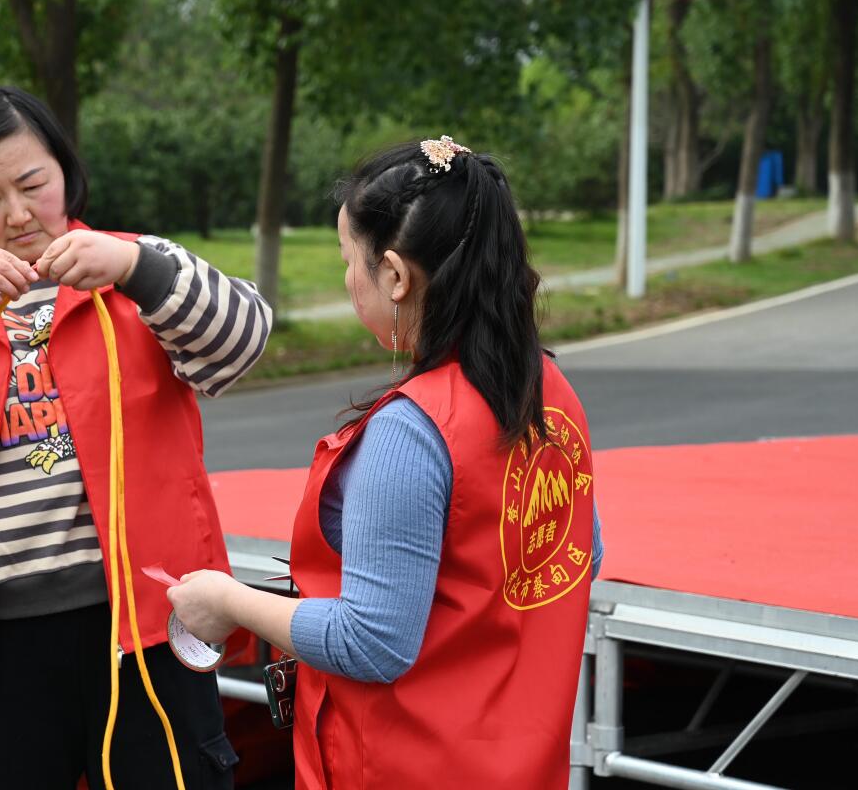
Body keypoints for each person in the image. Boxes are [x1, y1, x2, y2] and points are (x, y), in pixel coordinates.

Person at [0, 86, 270, 789]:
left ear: (65, 170)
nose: (19, 213)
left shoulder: (134, 268)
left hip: (146, 627)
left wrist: (134, 268)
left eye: (32, 184)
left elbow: (243, 340)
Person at [168, 137, 604, 789]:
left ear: (396, 276)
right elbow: (579, 555)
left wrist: (228, 601)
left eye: (350, 259)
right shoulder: (547, 390)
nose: (347, 279)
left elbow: (370, 642)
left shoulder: (411, 431)